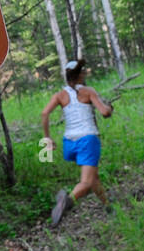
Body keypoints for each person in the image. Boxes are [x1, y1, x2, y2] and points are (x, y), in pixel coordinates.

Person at [40, 58, 113, 226]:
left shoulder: (60, 95)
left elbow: (44, 114)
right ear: (80, 75)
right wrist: (109, 109)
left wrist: (47, 137)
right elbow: (104, 112)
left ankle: (108, 206)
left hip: (70, 144)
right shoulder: (88, 91)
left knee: (93, 177)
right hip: (88, 140)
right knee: (86, 183)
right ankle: (68, 201)